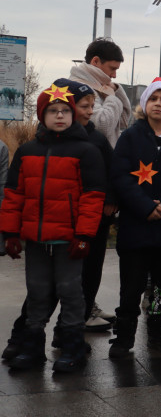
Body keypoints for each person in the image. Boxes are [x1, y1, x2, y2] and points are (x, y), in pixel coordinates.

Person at [1, 83, 105, 371]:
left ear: (72, 115)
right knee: (37, 291)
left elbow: (93, 197)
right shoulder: (27, 151)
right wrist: (10, 232)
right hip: (35, 239)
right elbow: (13, 195)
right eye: (52, 111)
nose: (59, 116)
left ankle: (72, 348)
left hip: (69, 238)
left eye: (64, 111)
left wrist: (84, 235)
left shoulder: (86, 151)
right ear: (42, 115)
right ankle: (33, 348)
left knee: (70, 291)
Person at [106, 78, 161, 359]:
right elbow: (119, 176)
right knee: (131, 287)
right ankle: (124, 336)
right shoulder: (131, 137)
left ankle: (158, 330)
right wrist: (144, 206)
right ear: (145, 103)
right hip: (136, 228)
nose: (158, 103)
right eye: (153, 98)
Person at [68, 38, 131, 322]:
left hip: (105, 184)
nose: (115, 76)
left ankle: (88, 306)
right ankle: (77, 314)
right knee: (84, 257)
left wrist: (113, 93)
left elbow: (124, 119)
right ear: (95, 63)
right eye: (112, 68)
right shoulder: (77, 89)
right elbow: (105, 126)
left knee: (94, 258)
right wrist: (113, 95)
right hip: (89, 187)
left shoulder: (105, 89)